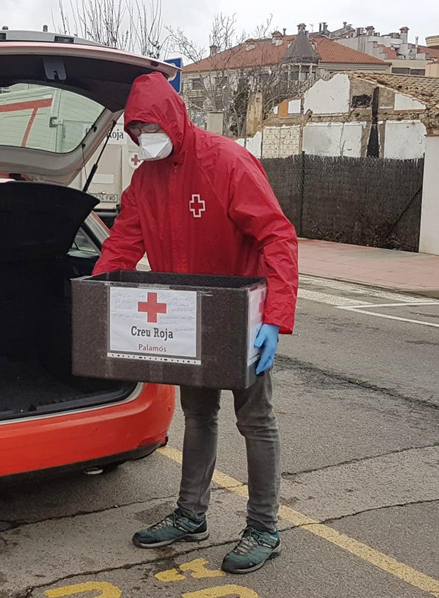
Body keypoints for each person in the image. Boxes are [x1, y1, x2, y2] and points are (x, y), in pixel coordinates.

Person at [93, 72, 298, 574]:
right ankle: (190, 515)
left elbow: (278, 236)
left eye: (151, 127)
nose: (145, 138)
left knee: (255, 421)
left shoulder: (225, 161)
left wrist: (275, 317)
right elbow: (123, 243)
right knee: (198, 415)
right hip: (185, 318)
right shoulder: (146, 179)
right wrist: (95, 296)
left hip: (238, 315)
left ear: (173, 118)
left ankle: (264, 527)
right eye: (136, 131)